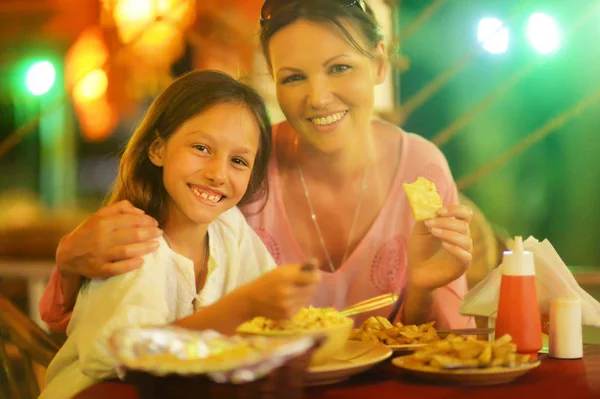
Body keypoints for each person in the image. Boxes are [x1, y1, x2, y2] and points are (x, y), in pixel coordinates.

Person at [40, 0, 473, 331]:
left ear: (379, 63)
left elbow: (444, 349)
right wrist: (71, 262)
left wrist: (423, 289)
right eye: (294, 77)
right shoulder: (239, 168)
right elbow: (112, 326)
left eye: (340, 67)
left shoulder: (422, 167)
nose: (318, 97)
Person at [39, 70, 320, 399]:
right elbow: (123, 356)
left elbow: (273, 324)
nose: (217, 173)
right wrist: (245, 306)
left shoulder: (230, 228)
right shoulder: (132, 239)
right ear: (157, 149)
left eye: (239, 161)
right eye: (201, 147)